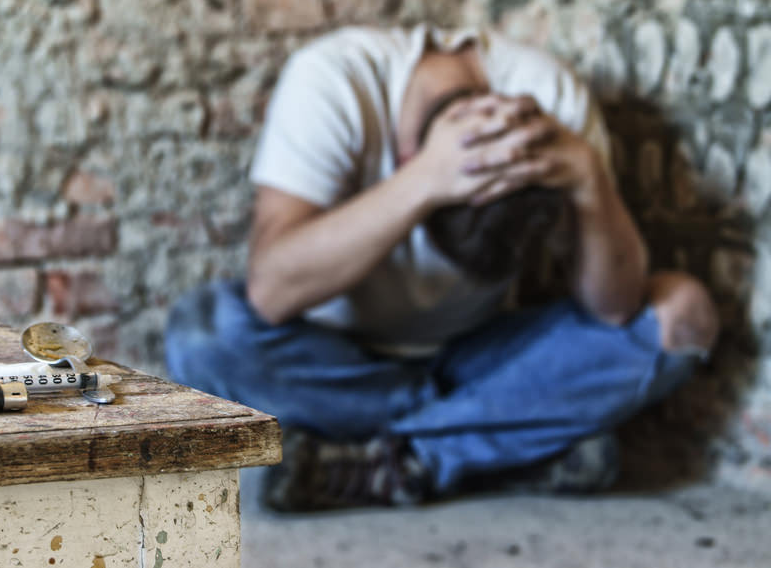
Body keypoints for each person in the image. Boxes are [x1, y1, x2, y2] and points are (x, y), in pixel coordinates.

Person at [164, 25, 719, 511]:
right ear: (407, 155)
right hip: (332, 365)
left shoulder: (552, 102)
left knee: (682, 313)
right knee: (203, 332)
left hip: (476, 359)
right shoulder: (336, 78)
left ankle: (399, 461)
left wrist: (588, 178)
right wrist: (425, 182)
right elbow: (269, 291)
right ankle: (498, 447)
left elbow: (616, 308)